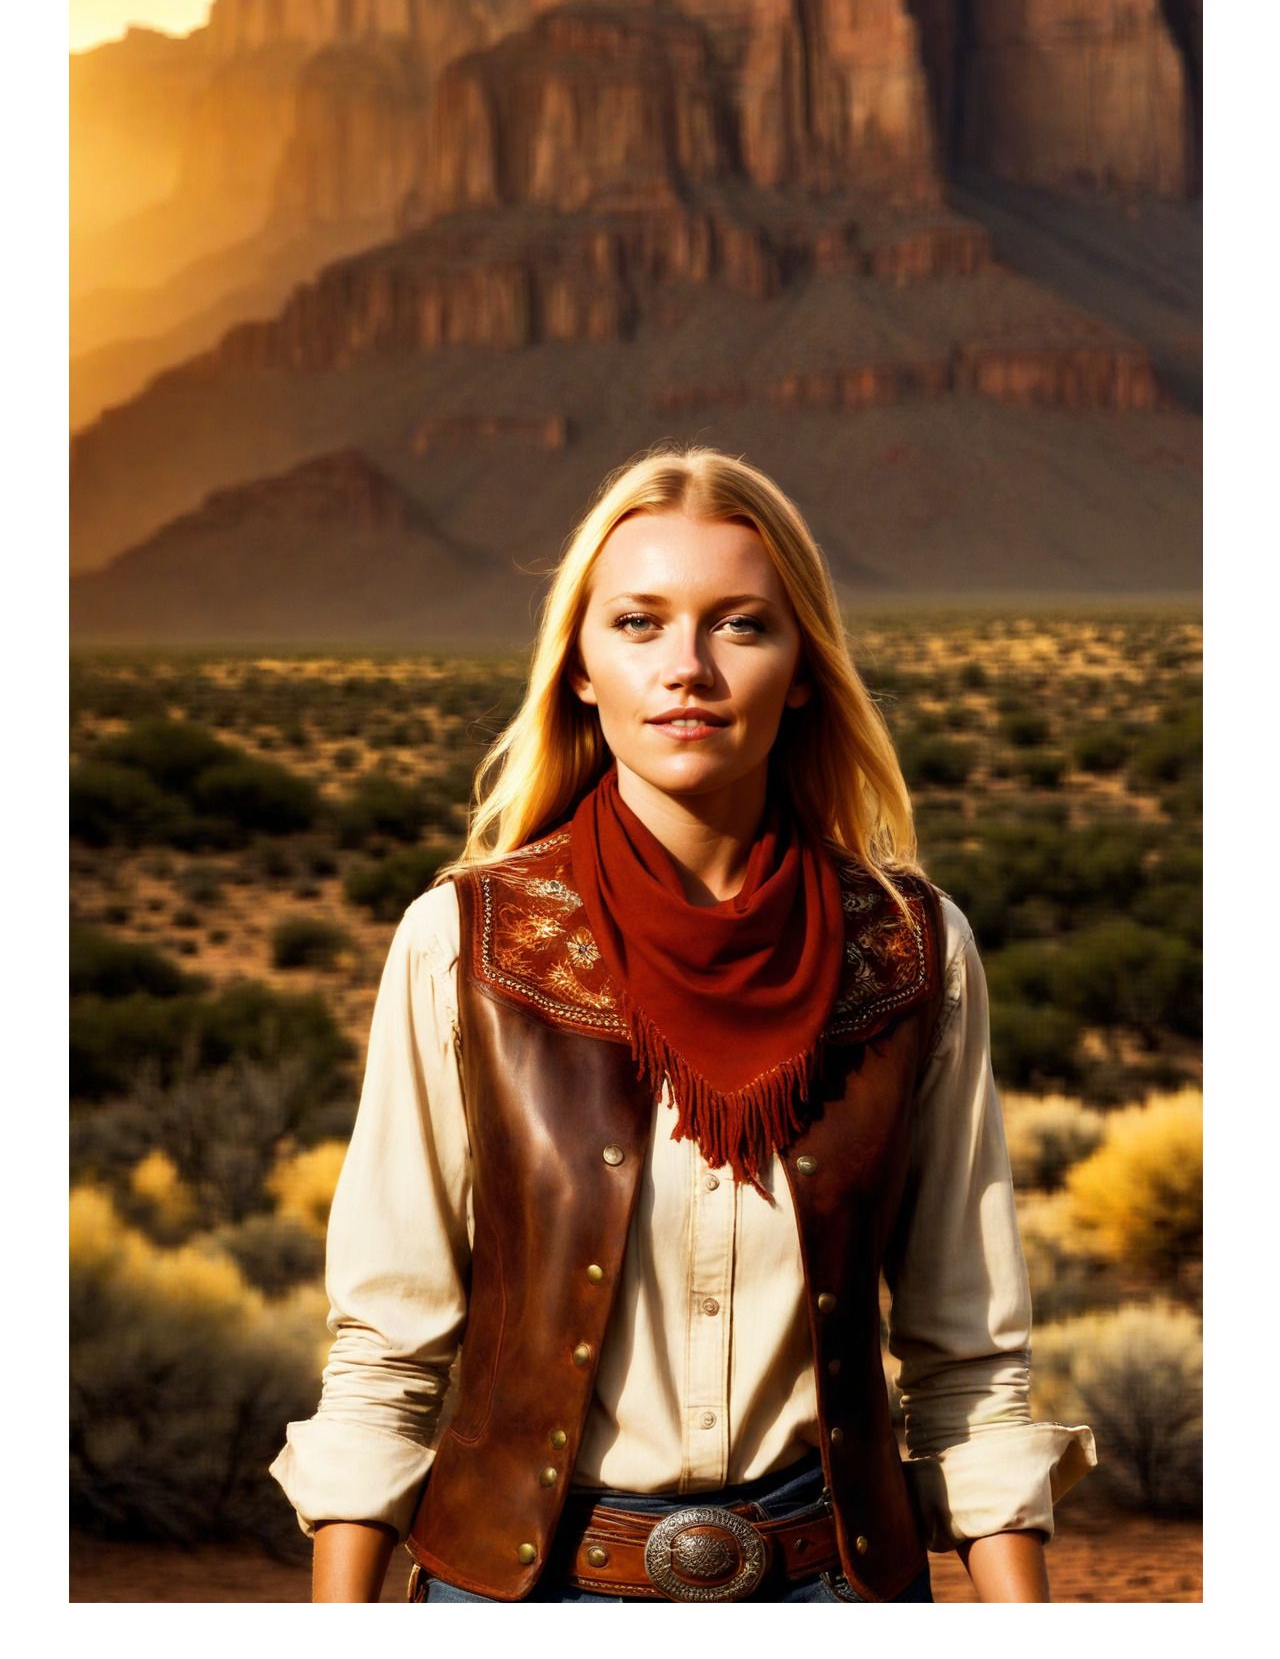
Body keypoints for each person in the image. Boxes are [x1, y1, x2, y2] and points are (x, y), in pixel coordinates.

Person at [270, 447, 1095, 1603]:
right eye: (639, 624)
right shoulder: (468, 945)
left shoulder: (908, 951)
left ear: (801, 667)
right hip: (523, 1593)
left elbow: (970, 1364)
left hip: (831, 1589)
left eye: (740, 627)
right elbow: (386, 1355)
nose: (687, 670)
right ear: (579, 669)